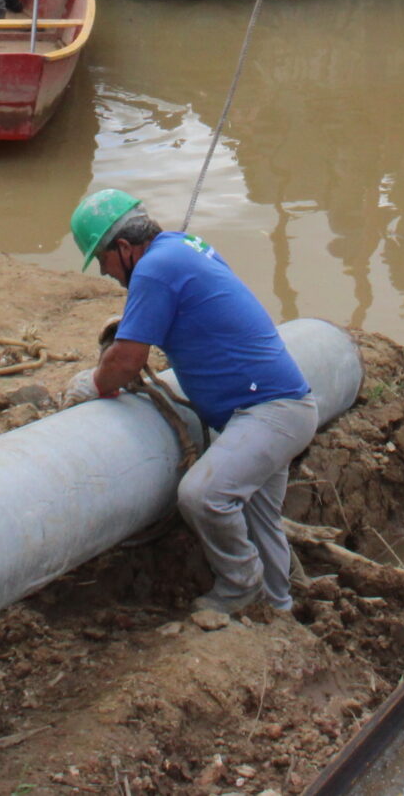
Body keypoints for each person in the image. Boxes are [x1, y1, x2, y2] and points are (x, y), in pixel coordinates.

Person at [63, 190, 319, 618]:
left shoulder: (154, 269)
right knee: (260, 517)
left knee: (203, 497)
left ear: (124, 248)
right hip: (281, 407)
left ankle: (240, 585)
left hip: (267, 413)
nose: (107, 274)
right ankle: (279, 608)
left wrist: (93, 383)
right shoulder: (180, 248)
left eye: (103, 261)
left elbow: (128, 359)